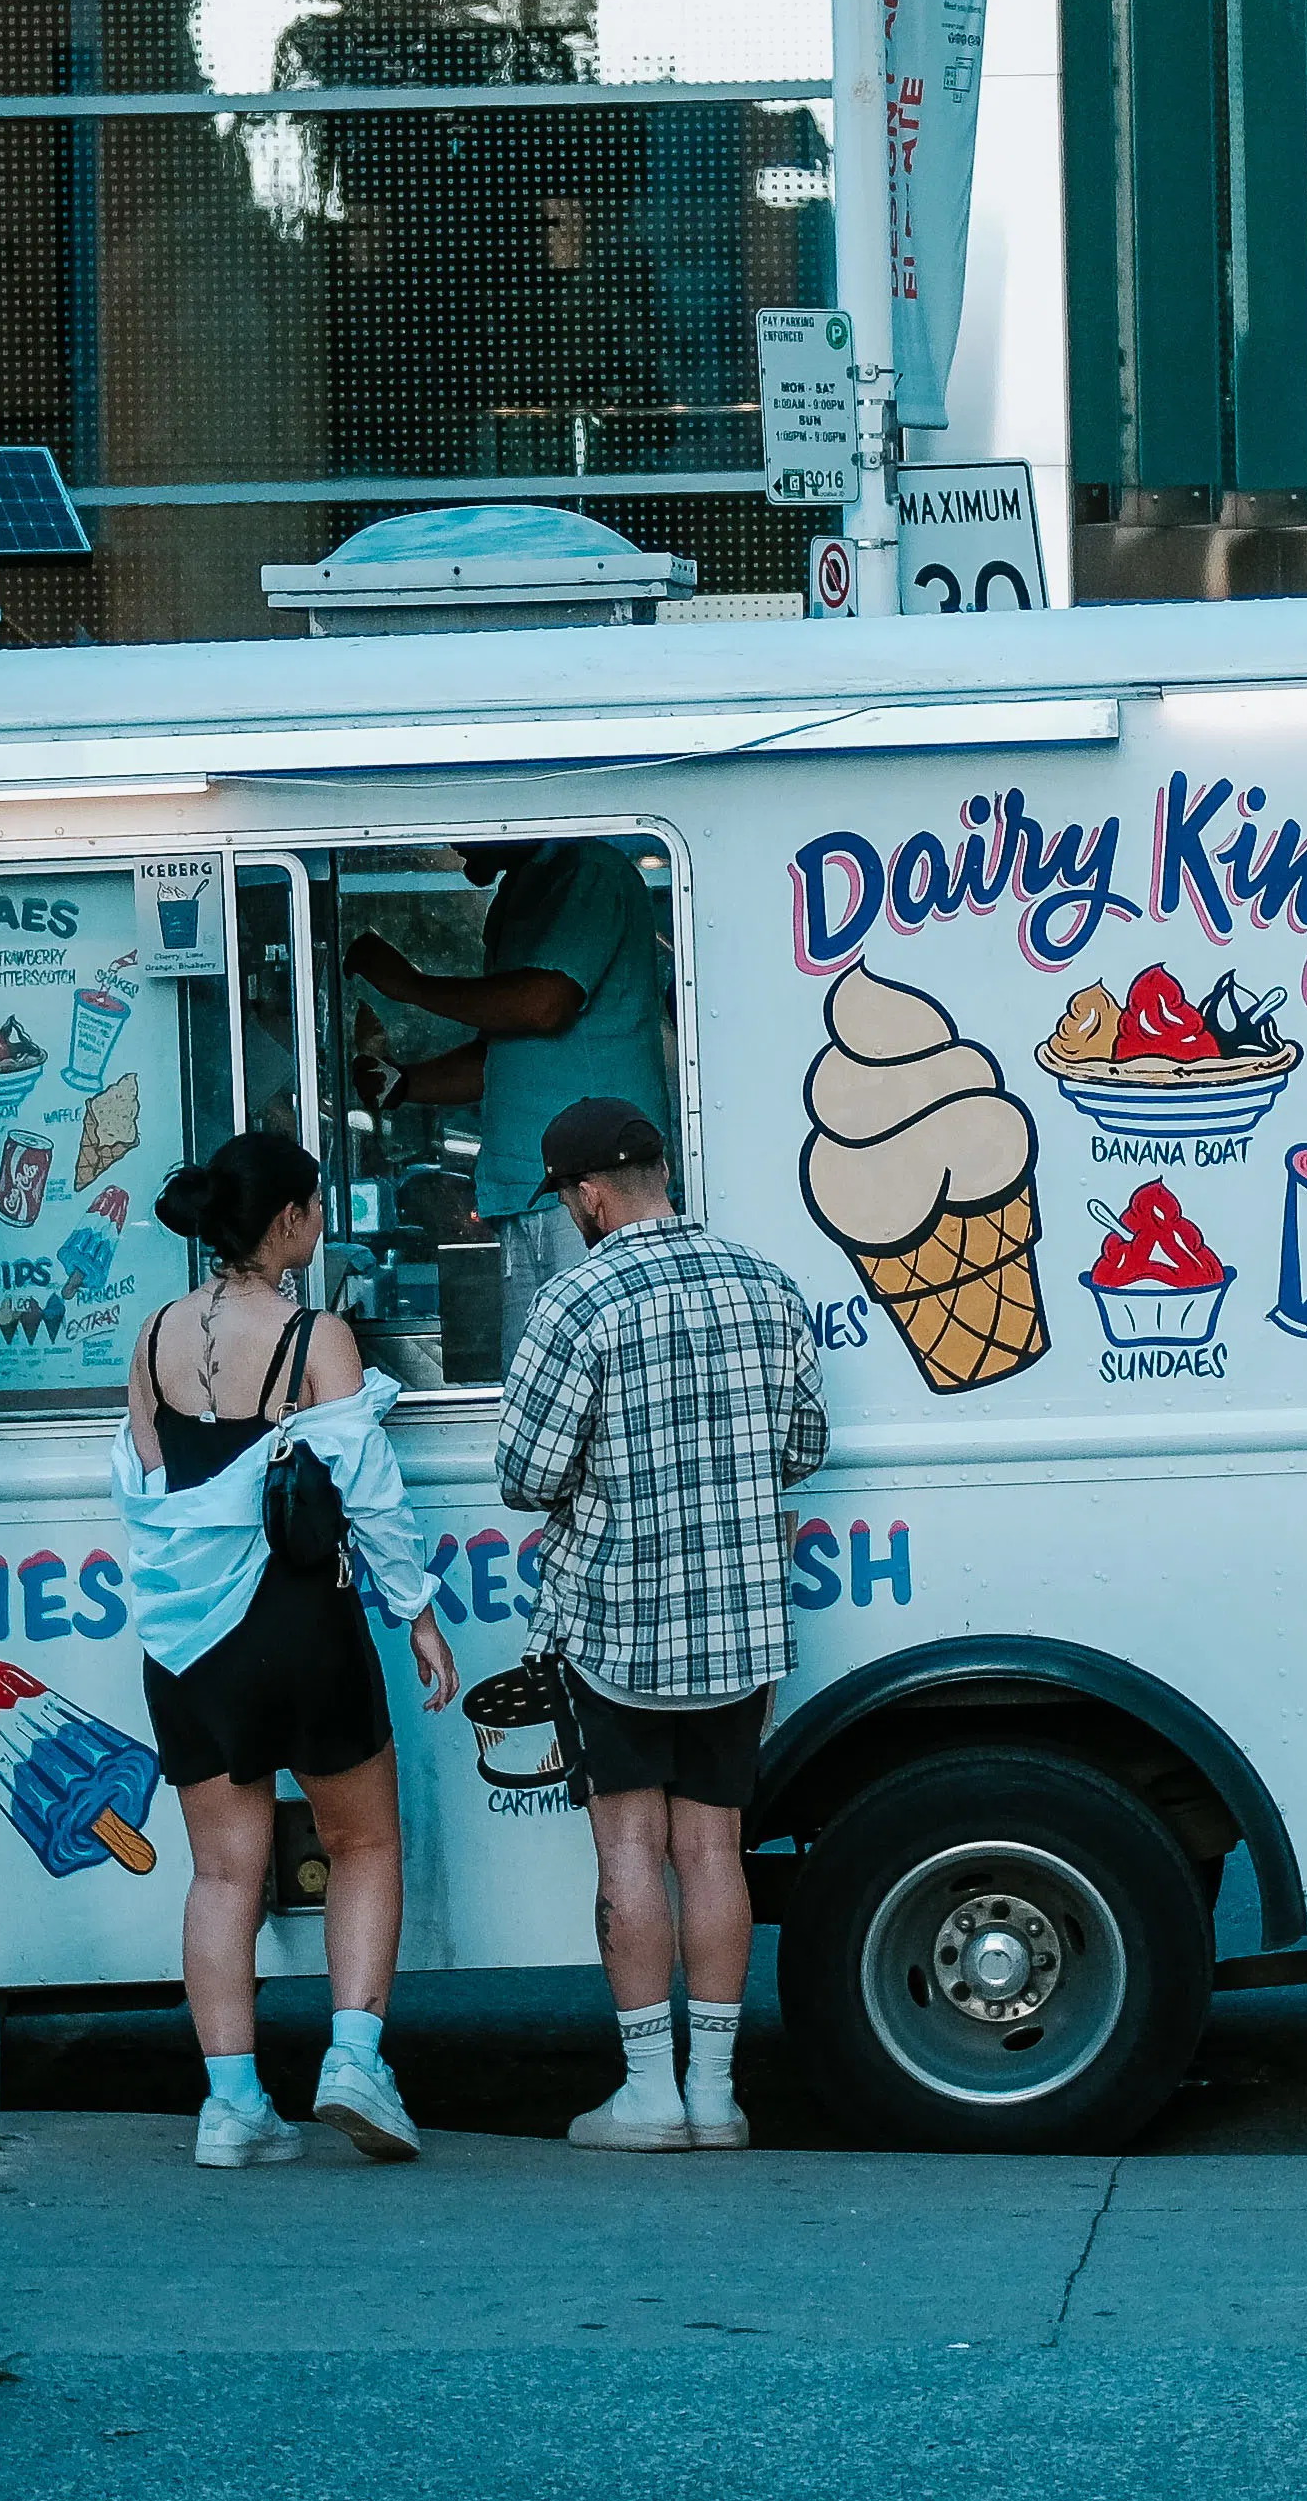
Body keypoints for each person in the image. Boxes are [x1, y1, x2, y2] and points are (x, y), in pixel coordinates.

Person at [492, 1096, 833, 2147]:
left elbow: (526, 1471)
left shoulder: (575, 1301)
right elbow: (804, 1445)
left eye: (564, 1195)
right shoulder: (767, 1284)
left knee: (631, 1849)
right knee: (712, 1848)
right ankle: (719, 2092)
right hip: (739, 1626)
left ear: (588, 1194)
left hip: (616, 1625)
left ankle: (647, 2091)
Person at [121, 1134, 459, 2168]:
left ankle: (231, 2105)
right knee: (362, 1842)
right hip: (301, 1622)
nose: (321, 1220)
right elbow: (372, 1495)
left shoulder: (152, 1336)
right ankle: (354, 2058)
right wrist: (418, 1612)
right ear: (287, 1219)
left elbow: (145, 1475)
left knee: (224, 1873)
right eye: (314, 1204)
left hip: (188, 1643)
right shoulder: (320, 1334)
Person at [351, 837, 679, 1350]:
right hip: (526, 1191)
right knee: (536, 1380)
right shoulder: (517, 893)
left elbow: (546, 1004)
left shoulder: (587, 869)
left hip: (599, 1188)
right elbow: (502, 1056)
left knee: (606, 1371)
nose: (454, 840)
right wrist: (405, 1084)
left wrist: (409, 987)